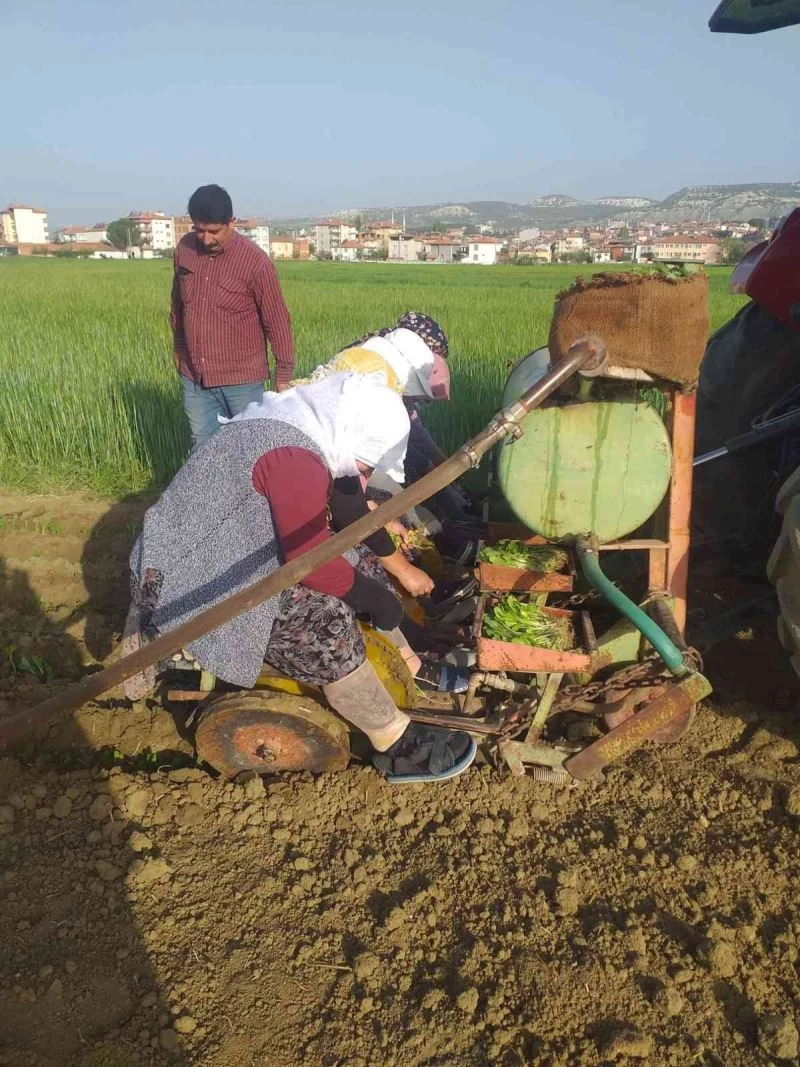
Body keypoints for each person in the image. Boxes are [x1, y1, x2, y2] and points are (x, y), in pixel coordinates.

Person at [122, 373, 476, 783]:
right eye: (366, 463)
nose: (365, 473)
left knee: (356, 558)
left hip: (229, 547)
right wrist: (374, 599)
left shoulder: (314, 424)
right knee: (321, 622)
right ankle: (396, 743)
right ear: (353, 435)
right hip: (189, 576)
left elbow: (349, 513)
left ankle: (407, 663)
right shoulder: (293, 456)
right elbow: (309, 560)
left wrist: (384, 585)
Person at [171, 183, 296, 449]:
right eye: (199, 230)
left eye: (213, 231)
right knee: (203, 451)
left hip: (243, 382)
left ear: (232, 223)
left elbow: (277, 321)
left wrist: (283, 375)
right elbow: (178, 304)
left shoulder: (255, 262)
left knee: (248, 451)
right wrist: (179, 346)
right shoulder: (184, 250)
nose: (205, 239)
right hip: (195, 377)